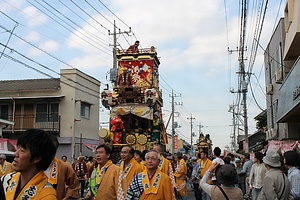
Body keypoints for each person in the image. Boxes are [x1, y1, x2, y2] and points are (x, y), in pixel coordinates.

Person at [1, 129, 57, 199]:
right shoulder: (6, 180)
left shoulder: (47, 195)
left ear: (37, 158)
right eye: (17, 148)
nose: (15, 154)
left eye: (22, 151)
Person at [47, 135, 79, 200]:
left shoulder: (64, 166)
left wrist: (67, 196)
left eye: (53, 149)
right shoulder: (32, 166)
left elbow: (74, 185)